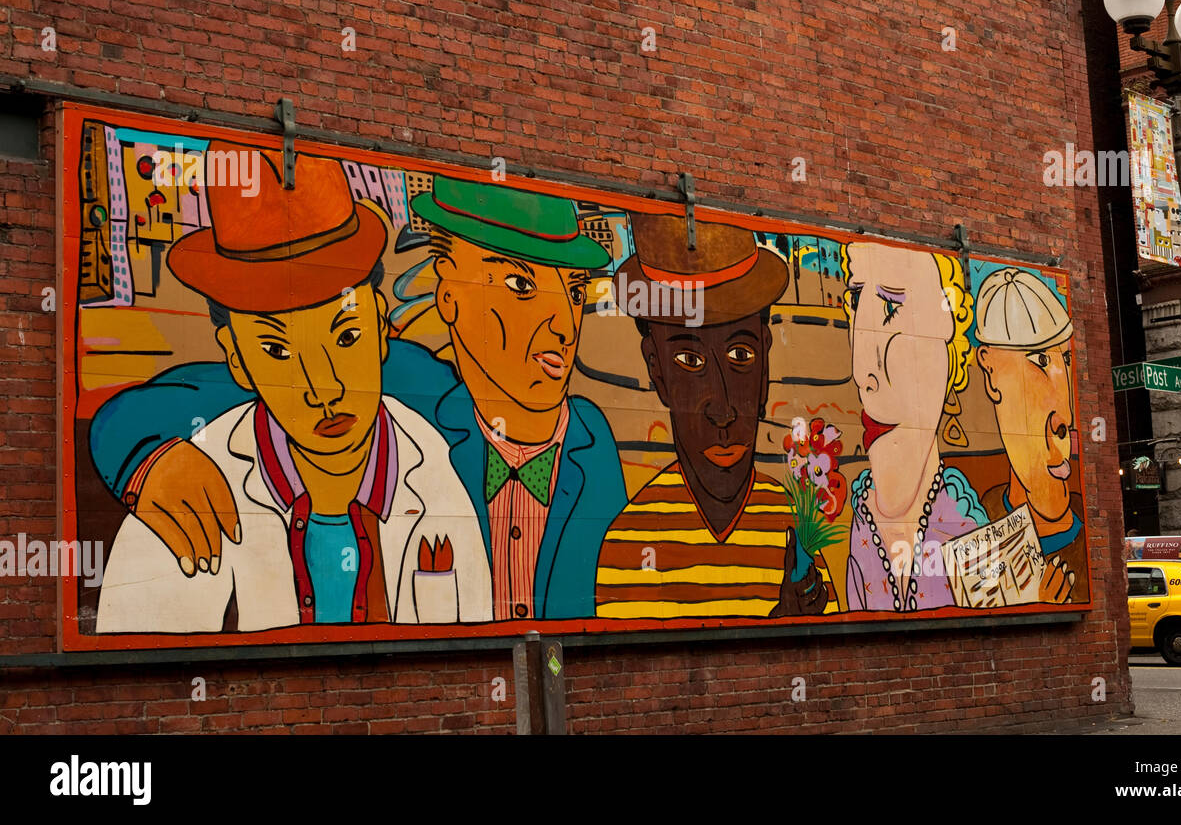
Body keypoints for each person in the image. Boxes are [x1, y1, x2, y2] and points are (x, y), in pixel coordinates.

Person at [90, 174, 627, 621]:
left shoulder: (592, 441)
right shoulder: (416, 390)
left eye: (575, 291)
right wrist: (143, 454)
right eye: (519, 286)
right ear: (447, 294)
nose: (562, 324)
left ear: (375, 321)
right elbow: (214, 393)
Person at [96, 146, 490, 631]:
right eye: (277, 351)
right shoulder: (188, 496)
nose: (322, 388)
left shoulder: (439, 468)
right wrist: (142, 457)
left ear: (383, 325)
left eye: (347, 337)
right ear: (237, 359)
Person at [594, 214, 835, 619]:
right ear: (657, 370)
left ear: (766, 367)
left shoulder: (794, 533)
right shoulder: (629, 544)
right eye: (689, 360)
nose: (722, 409)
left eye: (742, 355)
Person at [841, 242, 988, 612]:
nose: (861, 373)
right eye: (856, 301)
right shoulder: (861, 521)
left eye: (893, 305)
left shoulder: (968, 529)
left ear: (950, 351)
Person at [973, 266, 1087, 603]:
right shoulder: (977, 526)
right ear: (990, 372)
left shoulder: (1088, 530)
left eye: (1065, 358)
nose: (1064, 416)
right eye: (1038, 360)